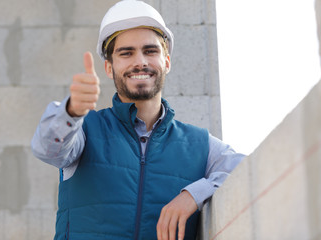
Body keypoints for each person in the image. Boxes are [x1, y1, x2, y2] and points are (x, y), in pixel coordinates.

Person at [31, 0, 245, 239]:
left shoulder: (200, 145)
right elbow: (47, 149)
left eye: (150, 50)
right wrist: (72, 111)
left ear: (167, 62)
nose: (140, 61)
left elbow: (245, 169)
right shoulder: (84, 130)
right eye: (126, 53)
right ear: (109, 68)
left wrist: (193, 194)